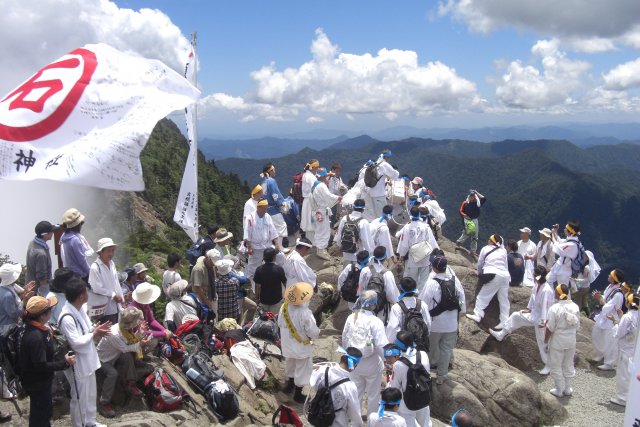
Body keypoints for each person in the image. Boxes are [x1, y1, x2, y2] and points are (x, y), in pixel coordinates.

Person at [59, 276, 112, 427]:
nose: (88, 295)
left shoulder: (80, 309)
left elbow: (87, 329)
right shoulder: (67, 317)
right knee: (79, 397)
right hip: (77, 362)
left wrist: (95, 330)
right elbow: (75, 343)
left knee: (90, 394)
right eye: (86, 292)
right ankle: (80, 424)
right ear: (81, 296)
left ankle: (90, 421)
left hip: (88, 359)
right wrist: (94, 334)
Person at [19, 295, 76, 427]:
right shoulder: (36, 337)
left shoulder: (33, 328)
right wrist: (64, 363)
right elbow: (40, 365)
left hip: (37, 381)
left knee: (40, 413)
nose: (52, 311)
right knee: (42, 415)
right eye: (50, 309)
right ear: (42, 315)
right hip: (38, 382)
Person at [489, 265, 555, 375]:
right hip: (534, 314)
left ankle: (549, 365)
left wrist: (544, 321)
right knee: (516, 315)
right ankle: (502, 333)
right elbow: (533, 299)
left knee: (542, 341)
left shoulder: (546, 290)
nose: (534, 276)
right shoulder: (537, 285)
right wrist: (528, 309)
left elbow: (546, 307)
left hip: (543, 318)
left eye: (535, 274)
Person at [342, 290, 389, 417]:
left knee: (356, 393)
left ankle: (354, 420)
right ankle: (371, 420)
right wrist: (387, 361)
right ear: (374, 304)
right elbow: (380, 346)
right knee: (373, 395)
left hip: (353, 362)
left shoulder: (352, 317)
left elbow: (345, 338)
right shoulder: (375, 321)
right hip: (371, 363)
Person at [420, 255, 466, 384]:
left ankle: (426, 374)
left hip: (435, 324)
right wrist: (460, 313)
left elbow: (424, 303)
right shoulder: (455, 280)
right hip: (451, 324)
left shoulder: (431, 283)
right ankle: (442, 376)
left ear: (434, 268)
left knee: (430, 349)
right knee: (446, 350)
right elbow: (462, 299)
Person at [96, 307, 148, 417]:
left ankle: (131, 383)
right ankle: (103, 402)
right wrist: (141, 344)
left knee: (128, 355)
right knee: (112, 374)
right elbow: (125, 347)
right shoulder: (114, 333)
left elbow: (129, 344)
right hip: (103, 360)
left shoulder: (123, 329)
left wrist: (140, 334)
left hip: (115, 355)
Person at [277, 282, 319, 403]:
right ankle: (298, 393)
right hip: (301, 345)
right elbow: (313, 332)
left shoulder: (284, 307)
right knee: (302, 367)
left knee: (290, 363)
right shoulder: (305, 313)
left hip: (287, 343)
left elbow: (279, 323)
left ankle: (289, 384)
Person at [309, 347, 363, 427]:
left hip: (318, 416)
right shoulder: (350, 386)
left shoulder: (323, 370)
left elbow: (313, 384)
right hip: (337, 421)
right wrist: (359, 423)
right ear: (354, 364)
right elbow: (354, 412)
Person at [387, 331, 431, 427]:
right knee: (426, 424)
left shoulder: (398, 364)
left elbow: (394, 387)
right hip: (423, 396)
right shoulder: (423, 354)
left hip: (407, 403)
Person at [466, 234, 510, 328]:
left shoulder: (485, 248)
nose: (488, 240)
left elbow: (480, 263)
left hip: (493, 274)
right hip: (505, 276)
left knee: (482, 296)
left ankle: (478, 315)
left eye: (489, 239)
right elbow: (505, 264)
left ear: (492, 241)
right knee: (504, 300)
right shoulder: (503, 250)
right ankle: (505, 322)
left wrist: (479, 273)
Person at [545, 283, 580, 397]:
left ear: (558, 293)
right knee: (568, 363)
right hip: (571, 339)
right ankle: (568, 388)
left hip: (558, 340)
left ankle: (559, 390)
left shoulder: (554, 308)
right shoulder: (575, 307)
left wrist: (546, 341)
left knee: (556, 364)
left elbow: (550, 328)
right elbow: (577, 326)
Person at [591, 269, 626, 370]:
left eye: (610, 275)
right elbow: (606, 299)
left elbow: (608, 307)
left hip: (611, 319)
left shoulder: (618, 294)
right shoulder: (610, 287)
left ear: (614, 278)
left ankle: (609, 363)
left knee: (610, 341)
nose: (608, 276)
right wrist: (600, 296)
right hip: (604, 317)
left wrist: (600, 299)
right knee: (597, 335)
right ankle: (599, 355)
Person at [397, 206, 438, 289]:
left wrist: (401, 255)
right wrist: (436, 253)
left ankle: (412, 296)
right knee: (424, 281)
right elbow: (431, 241)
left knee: (411, 279)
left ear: (410, 214)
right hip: (425, 256)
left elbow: (404, 245)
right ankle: (421, 298)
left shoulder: (407, 227)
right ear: (419, 214)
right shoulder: (425, 226)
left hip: (413, 257)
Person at [609, 293, 639, 406]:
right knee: (631, 374)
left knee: (623, 374)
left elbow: (619, 333)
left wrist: (615, 323)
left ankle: (622, 398)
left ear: (628, 303)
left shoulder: (627, 317)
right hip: (635, 350)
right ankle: (631, 396)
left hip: (625, 349)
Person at [360, 246, 400, 326]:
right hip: (381, 309)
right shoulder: (387, 274)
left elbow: (361, 289)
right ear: (385, 258)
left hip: (365, 306)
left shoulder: (365, 270)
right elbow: (392, 296)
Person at [87, 238, 123, 325]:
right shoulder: (95, 267)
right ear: (101, 252)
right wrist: (113, 295)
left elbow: (116, 282)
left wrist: (122, 297)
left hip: (116, 306)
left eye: (112, 250)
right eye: (108, 251)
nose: (111, 254)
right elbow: (96, 288)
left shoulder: (112, 263)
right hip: (104, 309)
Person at [386, 276, 430, 345]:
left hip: (403, 344)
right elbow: (427, 323)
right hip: (419, 343)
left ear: (400, 290)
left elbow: (392, 328)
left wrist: (392, 344)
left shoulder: (396, 307)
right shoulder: (423, 304)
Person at [309, 167, 341, 259]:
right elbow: (328, 196)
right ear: (323, 176)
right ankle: (321, 250)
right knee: (324, 231)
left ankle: (320, 248)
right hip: (321, 211)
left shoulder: (314, 184)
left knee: (319, 230)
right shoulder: (321, 186)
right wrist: (338, 198)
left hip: (316, 210)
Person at [243, 199, 279, 281]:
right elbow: (247, 233)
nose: (266, 210)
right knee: (253, 268)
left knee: (279, 257)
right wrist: (249, 247)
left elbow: (273, 230)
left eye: (266, 208)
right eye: (264, 208)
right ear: (259, 208)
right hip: (255, 247)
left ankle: (272, 278)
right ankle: (253, 285)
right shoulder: (250, 218)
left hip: (267, 245)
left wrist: (277, 244)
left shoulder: (267, 216)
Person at [335, 199, 374, 267]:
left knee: (346, 269)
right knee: (356, 271)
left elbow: (339, 234)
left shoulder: (345, 218)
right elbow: (365, 239)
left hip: (346, 249)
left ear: (353, 207)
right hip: (357, 251)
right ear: (363, 209)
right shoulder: (364, 222)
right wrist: (369, 252)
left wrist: (340, 245)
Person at [25, 220, 59, 296]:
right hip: (37, 290)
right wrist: (46, 294)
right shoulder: (41, 254)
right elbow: (42, 278)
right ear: (46, 235)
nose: (52, 233)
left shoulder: (33, 242)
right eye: (51, 232)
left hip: (29, 284)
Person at [59, 208, 93, 282]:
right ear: (77, 225)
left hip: (71, 274)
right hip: (80, 276)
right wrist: (91, 274)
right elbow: (82, 260)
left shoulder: (65, 236)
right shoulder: (75, 240)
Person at [365, 150, 400, 219]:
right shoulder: (384, 164)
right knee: (381, 215)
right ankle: (381, 228)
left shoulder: (376, 163)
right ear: (386, 157)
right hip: (379, 194)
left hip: (371, 192)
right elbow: (394, 175)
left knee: (375, 214)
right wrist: (397, 172)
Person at [261, 162, 289, 247]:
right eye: (274, 170)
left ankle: (274, 247)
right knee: (281, 227)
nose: (275, 171)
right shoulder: (271, 181)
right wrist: (282, 203)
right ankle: (279, 247)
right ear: (270, 171)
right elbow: (275, 195)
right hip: (274, 209)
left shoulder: (263, 182)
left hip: (267, 209)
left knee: (272, 229)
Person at [547, 221, 581, 286]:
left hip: (565, 271)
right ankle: (550, 295)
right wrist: (555, 232)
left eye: (566, 229)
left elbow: (557, 246)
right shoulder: (571, 241)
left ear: (571, 232)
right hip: (558, 267)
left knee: (563, 291)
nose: (564, 229)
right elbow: (560, 242)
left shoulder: (572, 244)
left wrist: (552, 235)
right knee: (547, 281)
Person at [0, 263, 35, 327]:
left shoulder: (5, 288)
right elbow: (15, 314)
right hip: (7, 330)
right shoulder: (7, 295)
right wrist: (24, 301)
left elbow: (14, 301)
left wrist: (25, 291)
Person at [253, 248, 287, 313]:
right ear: (274, 257)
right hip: (276, 300)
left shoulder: (259, 269)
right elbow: (285, 283)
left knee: (264, 321)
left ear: (263, 257)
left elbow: (257, 286)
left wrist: (257, 298)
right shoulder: (279, 269)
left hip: (263, 301)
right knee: (275, 320)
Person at [190, 249, 221, 317]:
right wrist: (207, 303)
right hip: (202, 298)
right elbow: (198, 288)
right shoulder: (199, 269)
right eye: (212, 262)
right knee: (207, 318)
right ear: (207, 258)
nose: (213, 264)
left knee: (214, 317)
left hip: (212, 295)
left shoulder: (210, 265)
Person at [455, 190, 486, 257]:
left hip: (474, 220)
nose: (472, 197)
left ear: (475, 197)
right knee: (467, 233)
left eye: (473, 196)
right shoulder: (465, 203)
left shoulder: (477, 203)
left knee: (475, 236)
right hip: (467, 220)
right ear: (469, 196)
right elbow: (460, 211)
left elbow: (484, 198)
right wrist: (464, 215)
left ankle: (472, 251)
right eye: (471, 196)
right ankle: (459, 242)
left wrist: (477, 192)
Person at [300, 159, 320, 241]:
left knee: (308, 221)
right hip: (311, 201)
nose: (317, 169)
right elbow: (316, 188)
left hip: (307, 200)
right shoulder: (311, 177)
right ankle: (314, 243)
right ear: (313, 168)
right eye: (317, 167)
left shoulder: (305, 175)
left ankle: (310, 241)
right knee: (312, 221)